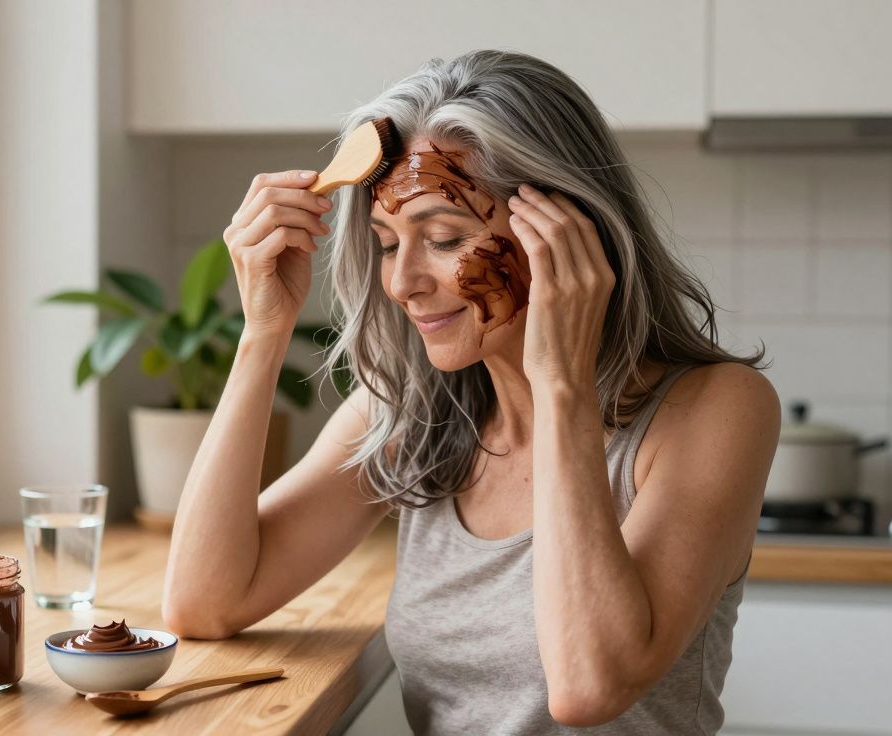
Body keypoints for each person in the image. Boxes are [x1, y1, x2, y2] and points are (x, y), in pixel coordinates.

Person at [162, 49, 780, 734]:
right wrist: (263, 333)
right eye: (389, 244)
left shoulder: (715, 409)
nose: (402, 284)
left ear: (570, 231)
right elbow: (203, 600)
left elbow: (587, 687)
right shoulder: (413, 409)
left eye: (446, 237)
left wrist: (562, 386)